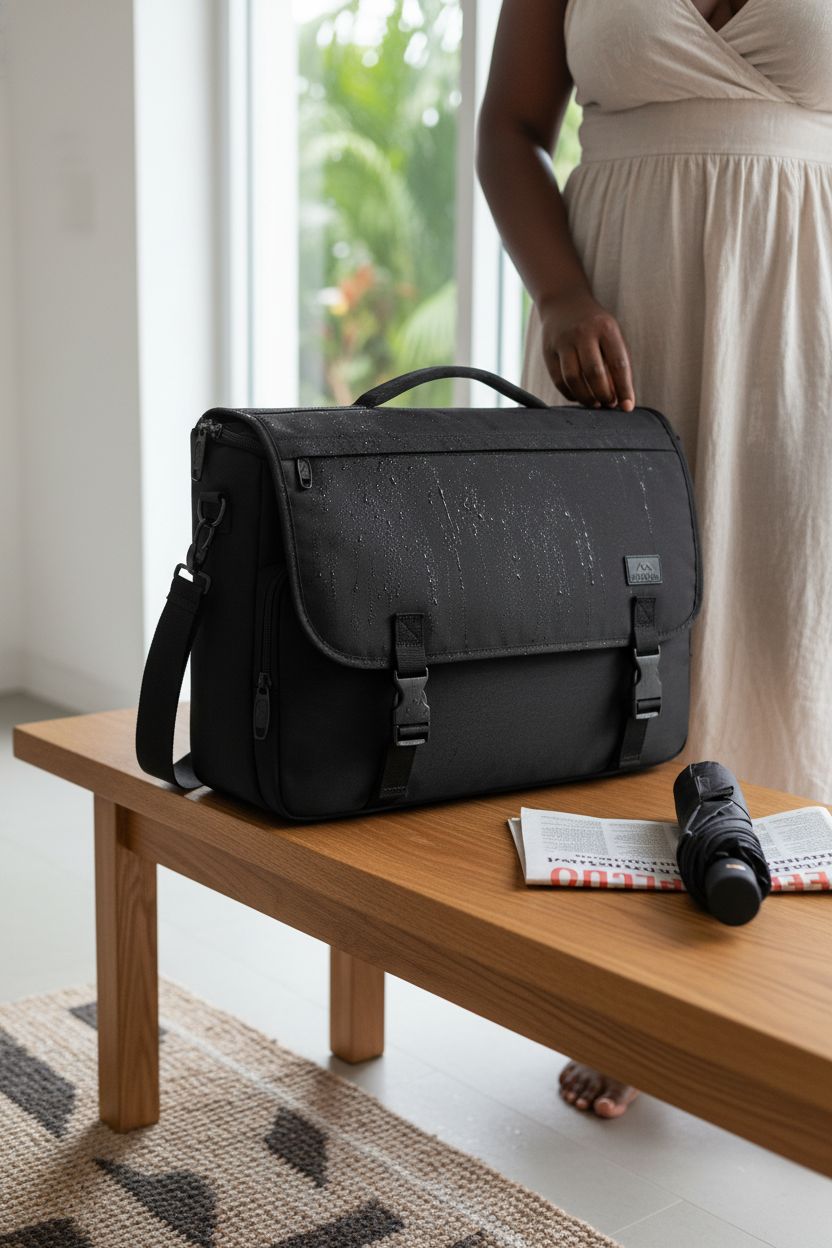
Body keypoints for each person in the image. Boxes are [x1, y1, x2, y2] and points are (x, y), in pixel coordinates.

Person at [475, 0, 832, 1118]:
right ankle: (619, 997)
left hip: (803, 314)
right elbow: (508, 127)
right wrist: (559, 293)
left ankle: (788, 1000)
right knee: (615, 652)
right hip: (620, 308)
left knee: (789, 636)